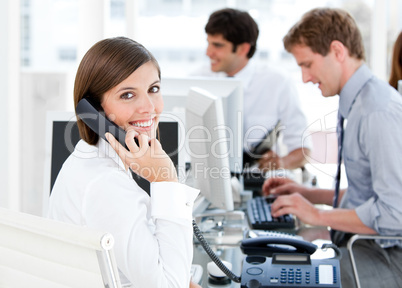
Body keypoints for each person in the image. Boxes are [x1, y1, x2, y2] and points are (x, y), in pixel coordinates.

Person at [263, 8, 402, 287]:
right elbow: (372, 192)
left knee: (277, 279)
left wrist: (316, 215)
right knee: (270, 268)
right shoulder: (359, 102)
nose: (304, 77)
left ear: (337, 51)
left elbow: (394, 213)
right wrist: (308, 193)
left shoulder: (377, 111)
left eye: (307, 64)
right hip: (364, 245)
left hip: (387, 258)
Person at [47, 37, 202, 288]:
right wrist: (166, 180)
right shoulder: (105, 184)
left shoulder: (91, 158)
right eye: (127, 95)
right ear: (94, 111)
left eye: (153, 89)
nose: (149, 108)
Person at [192, 8, 311, 172]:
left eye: (217, 45)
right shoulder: (196, 81)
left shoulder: (278, 82)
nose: (208, 52)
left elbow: (303, 148)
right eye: (208, 43)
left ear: (243, 49)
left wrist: (281, 163)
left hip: (260, 181)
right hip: (210, 179)